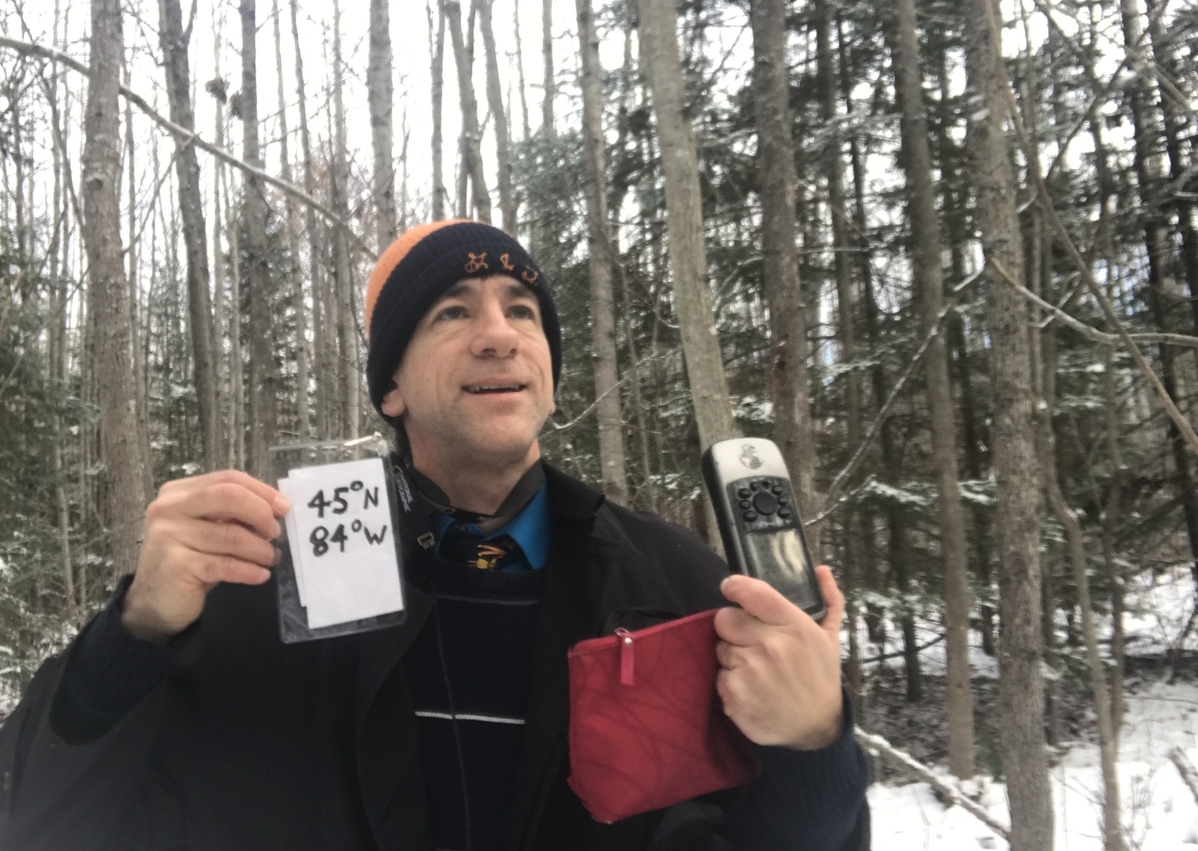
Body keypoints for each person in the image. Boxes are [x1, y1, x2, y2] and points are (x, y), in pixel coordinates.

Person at [0, 220, 870, 850]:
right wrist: (134, 636)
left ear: (552, 379)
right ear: (390, 389)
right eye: (452, 313)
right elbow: (43, 821)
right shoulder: (258, 578)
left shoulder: (678, 591)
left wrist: (810, 747)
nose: (499, 335)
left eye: (522, 311)